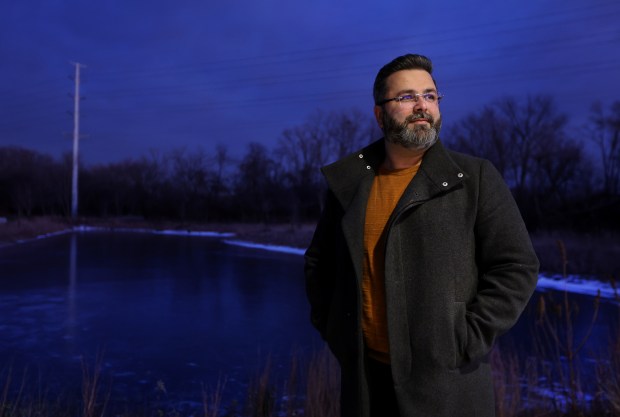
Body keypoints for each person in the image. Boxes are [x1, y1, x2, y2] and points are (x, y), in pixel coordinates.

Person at [304, 53, 539, 417]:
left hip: (447, 387)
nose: (421, 106)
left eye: (430, 96)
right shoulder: (349, 185)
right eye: (407, 97)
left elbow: (517, 266)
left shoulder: (473, 178)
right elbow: (319, 264)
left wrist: (466, 338)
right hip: (366, 385)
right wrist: (335, 329)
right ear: (380, 114)